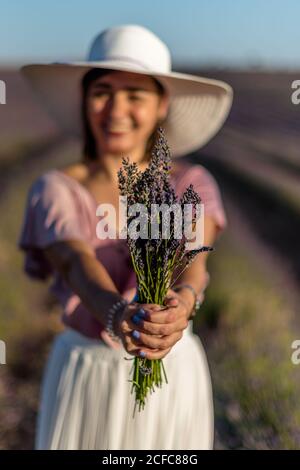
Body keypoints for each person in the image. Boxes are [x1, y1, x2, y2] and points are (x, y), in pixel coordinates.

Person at [18, 24, 233, 450]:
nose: (116, 109)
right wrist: (119, 317)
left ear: (160, 106)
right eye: (103, 92)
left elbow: (195, 258)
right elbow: (77, 263)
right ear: (85, 101)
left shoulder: (190, 182)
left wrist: (182, 305)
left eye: (135, 95)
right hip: (88, 373)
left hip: (171, 369)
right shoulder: (56, 188)